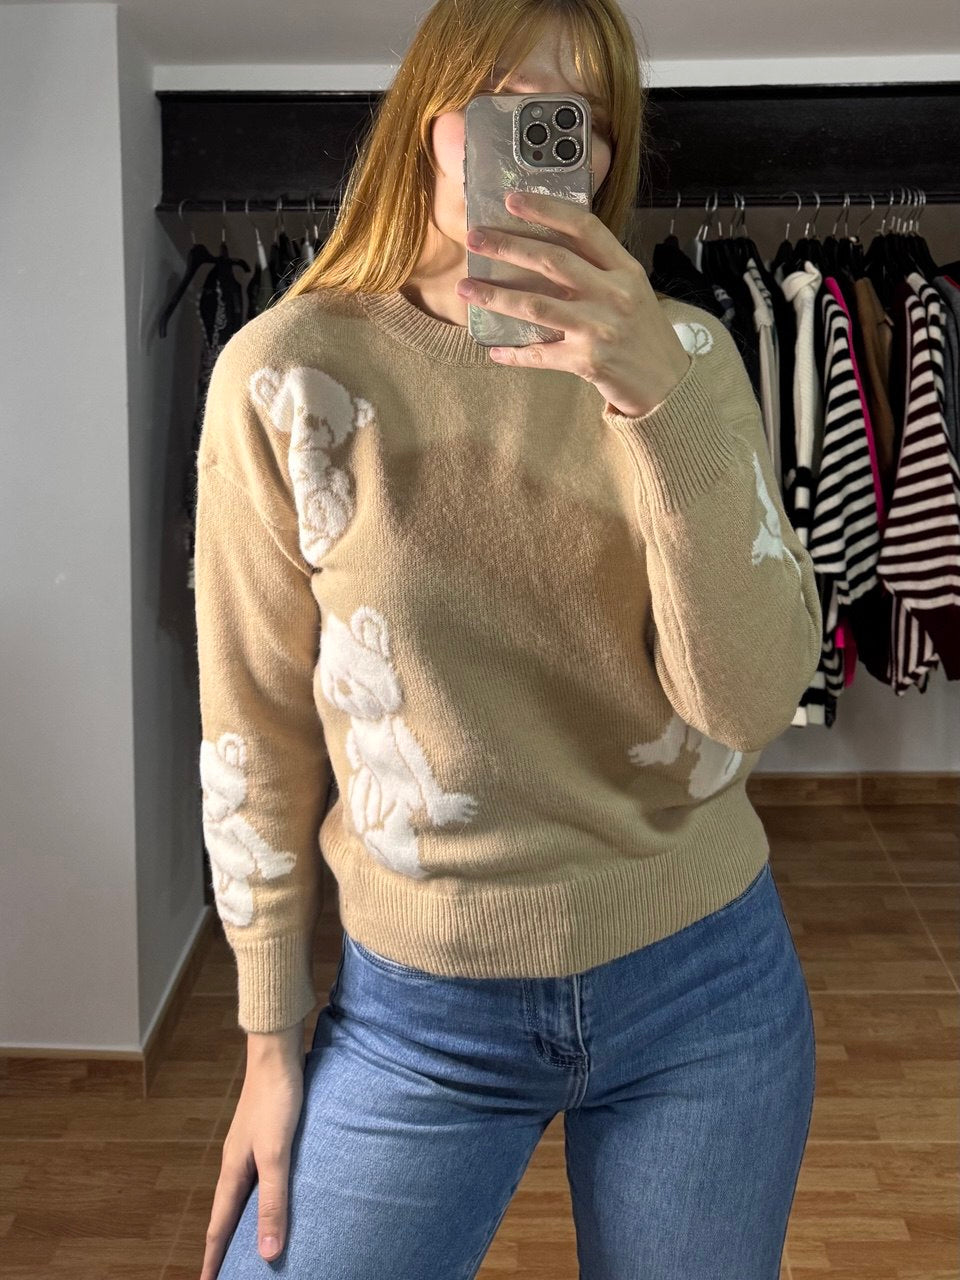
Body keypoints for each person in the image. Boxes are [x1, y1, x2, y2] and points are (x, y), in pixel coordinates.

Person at [194, 1, 821, 1276]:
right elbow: (252, 722)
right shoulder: (286, 373)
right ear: (426, 121)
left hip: (706, 980)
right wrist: (267, 1041)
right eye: (504, 106)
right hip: (420, 1010)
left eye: (576, 123)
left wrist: (658, 402)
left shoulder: (689, 355)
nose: (539, 144)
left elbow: (749, 699)